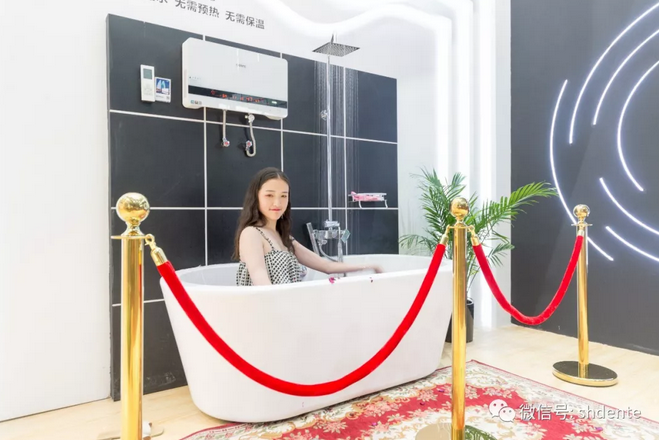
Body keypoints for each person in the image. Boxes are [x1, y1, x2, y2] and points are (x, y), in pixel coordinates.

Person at [234, 167, 383, 286]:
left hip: (286, 305)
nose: (277, 203)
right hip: (266, 308)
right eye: (269, 195)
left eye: (283, 196)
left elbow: (326, 266)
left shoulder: (284, 238)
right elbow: (259, 277)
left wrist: (370, 266)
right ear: (256, 197)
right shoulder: (251, 233)